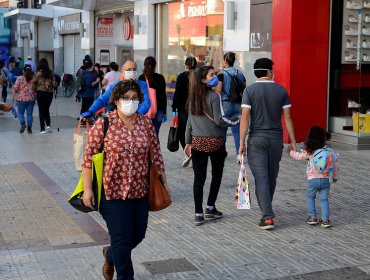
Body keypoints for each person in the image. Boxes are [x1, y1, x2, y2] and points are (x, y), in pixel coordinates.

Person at [82, 79, 167, 280]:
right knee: (121, 238)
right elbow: (88, 158)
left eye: (135, 98)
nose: (131, 101)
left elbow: (156, 156)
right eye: (126, 98)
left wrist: (164, 184)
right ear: (117, 100)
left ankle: (110, 255)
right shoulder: (104, 123)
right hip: (111, 191)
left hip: (140, 190)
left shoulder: (146, 124)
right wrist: (88, 189)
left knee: (137, 235)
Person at [239, 58, 296, 230]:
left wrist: (241, 142)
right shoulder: (281, 90)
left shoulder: (249, 91)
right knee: (271, 176)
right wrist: (293, 141)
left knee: (261, 177)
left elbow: (245, 117)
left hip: (256, 140)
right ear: (270, 72)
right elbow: (287, 118)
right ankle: (267, 210)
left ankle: (268, 216)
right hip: (276, 140)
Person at [185, 66, 239, 226]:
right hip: (216, 141)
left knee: (199, 178)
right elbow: (220, 120)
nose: (215, 76)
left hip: (198, 142)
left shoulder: (192, 98)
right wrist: (237, 120)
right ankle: (210, 206)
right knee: (216, 175)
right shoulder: (214, 97)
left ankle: (198, 213)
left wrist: (188, 141)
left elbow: (189, 123)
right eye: (212, 75)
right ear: (203, 79)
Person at [288, 126, 339, 228]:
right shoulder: (330, 152)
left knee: (310, 197)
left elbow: (299, 156)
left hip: (313, 180)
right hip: (325, 180)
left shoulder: (309, 150)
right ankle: (325, 220)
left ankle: (312, 218)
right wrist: (335, 176)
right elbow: (335, 164)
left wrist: (291, 152)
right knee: (324, 199)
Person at [80, 59, 150, 119]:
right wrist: (91, 110)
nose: (132, 72)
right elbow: (103, 99)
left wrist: (136, 116)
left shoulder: (143, 85)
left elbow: (147, 103)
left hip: (137, 119)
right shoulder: (117, 85)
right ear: (123, 71)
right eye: (129, 69)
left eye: (134, 69)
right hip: (121, 120)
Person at [216, 52, 246, 163]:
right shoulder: (240, 73)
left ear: (225, 61)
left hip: (225, 105)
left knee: (222, 129)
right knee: (237, 131)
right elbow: (244, 90)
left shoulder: (221, 74)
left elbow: (218, 90)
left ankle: (222, 152)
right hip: (238, 104)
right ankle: (240, 155)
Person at [172, 56, 197, 167]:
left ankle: (187, 152)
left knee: (182, 132)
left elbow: (177, 93)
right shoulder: (198, 76)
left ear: (185, 65)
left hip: (183, 108)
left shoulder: (181, 77)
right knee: (195, 131)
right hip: (196, 108)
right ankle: (194, 153)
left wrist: (174, 107)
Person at [138, 56, 167, 134]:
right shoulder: (160, 78)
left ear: (144, 65)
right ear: (155, 66)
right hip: (159, 110)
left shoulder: (141, 78)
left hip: (144, 110)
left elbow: (139, 95)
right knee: (155, 134)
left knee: (145, 134)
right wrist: (164, 112)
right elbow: (163, 96)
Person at [32, 58, 57, 134]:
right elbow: (54, 83)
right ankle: (48, 124)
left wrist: (34, 90)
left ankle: (42, 129)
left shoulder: (37, 73)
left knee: (41, 110)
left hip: (40, 93)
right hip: (49, 94)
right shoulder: (50, 73)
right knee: (46, 108)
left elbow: (34, 83)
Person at [11, 65, 36, 134]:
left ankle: (23, 124)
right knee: (29, 114)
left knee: (20, 113)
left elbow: (15, 88)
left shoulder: (19, 78)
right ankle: (29, 129)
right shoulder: (34, 78)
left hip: (21, 99)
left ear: (23, 71)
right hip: (31, 99)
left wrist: (12, 97)